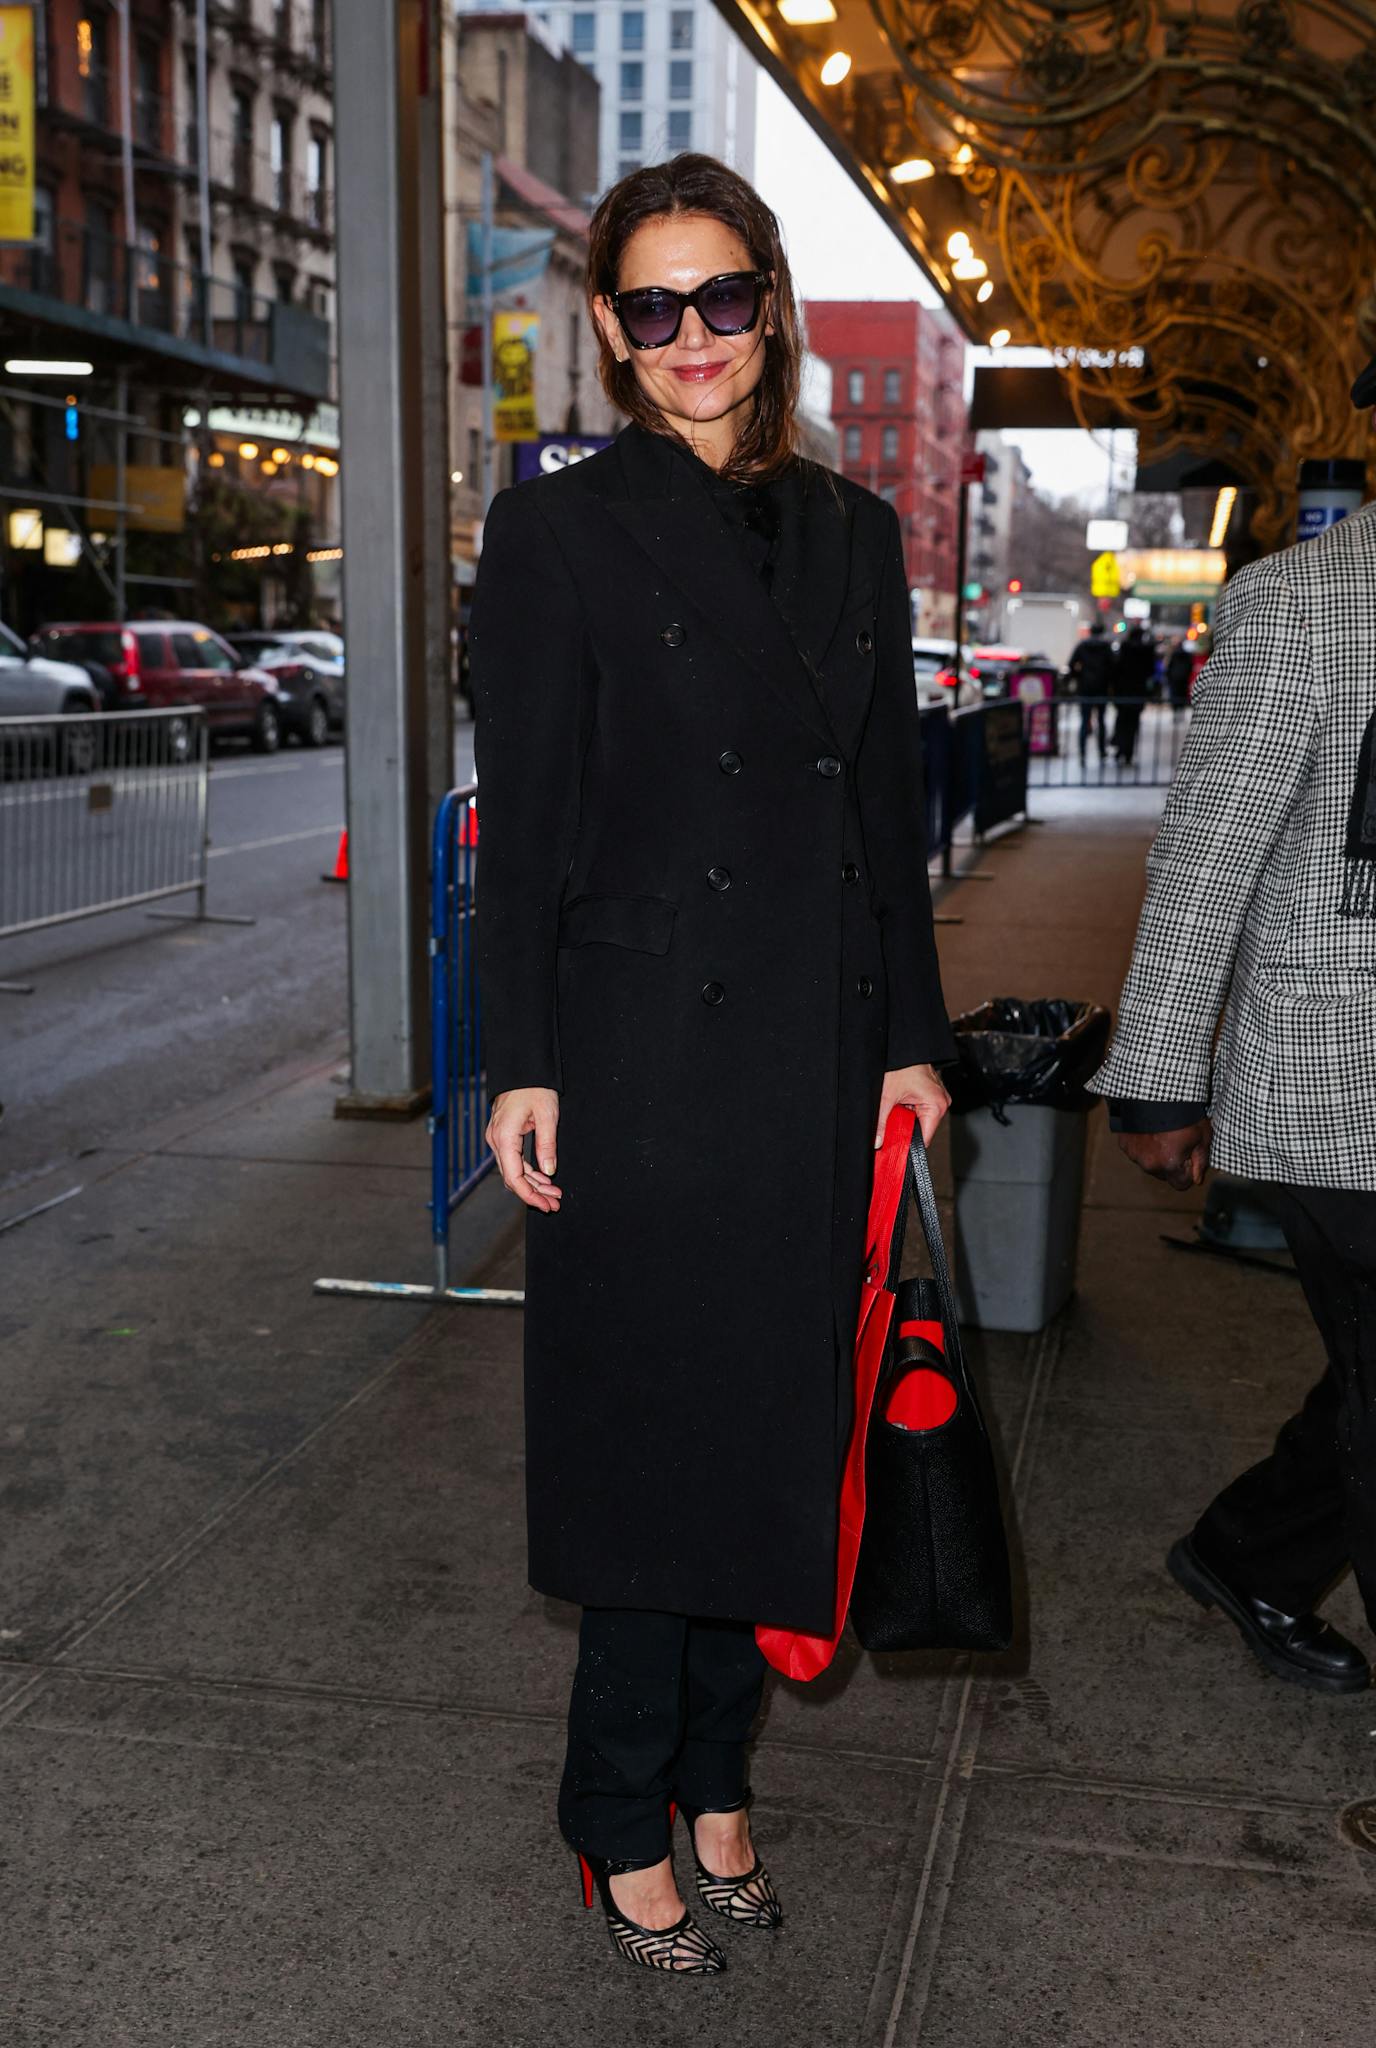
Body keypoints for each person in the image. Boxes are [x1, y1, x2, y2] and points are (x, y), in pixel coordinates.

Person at [468, 154, 954, 1976]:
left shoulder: (851, 530)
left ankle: (713, 1775)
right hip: (645, 1051)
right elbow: (526, 826)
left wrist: (908, 1038)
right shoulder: (563, 529)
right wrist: (520, 1055)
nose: (692, 339)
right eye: (652, 308)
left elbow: (878, 818)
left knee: (770, 1435)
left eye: (723, 298)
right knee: (653, 1449)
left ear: (772, 304)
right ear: (609, 327)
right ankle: (617, 1811)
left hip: (814, 1054)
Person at [1090, 347, 1376, 1697]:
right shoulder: (1305, 606)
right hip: (1342, 1088)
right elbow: (1208, 860)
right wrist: (1155, 1080)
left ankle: (1250, 1552)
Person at [1110, 622, 1154, 765]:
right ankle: (1128, 752)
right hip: (1138, 692)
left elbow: (1116, 669)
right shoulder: (1145, 651)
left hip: (1122, 691)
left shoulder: (1124, 648)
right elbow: (1150, 670)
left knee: (1122, 720)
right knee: (1133, 723)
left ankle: (1119, 749)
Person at [1067, 620, 1112, 760]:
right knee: (1101, 720)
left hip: (1085, 687)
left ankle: (1082, 751)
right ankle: (1101, 751)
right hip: (1102, 687)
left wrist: (1078, 677)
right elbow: (1113, 666)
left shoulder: (1082, 646)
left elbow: (1071, 664)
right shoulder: (1106, 647)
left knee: (1084, 720)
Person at [1165, 636, 1194, 712]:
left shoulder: (1174, 654)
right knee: (1182, 697)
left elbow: (1169, 667)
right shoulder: (1187, 655)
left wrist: (1169, 677)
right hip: (1184, 679)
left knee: (1175, 696)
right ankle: (1180, 712)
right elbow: (1190, 667)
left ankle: (1176, 712)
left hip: (1174, 679)